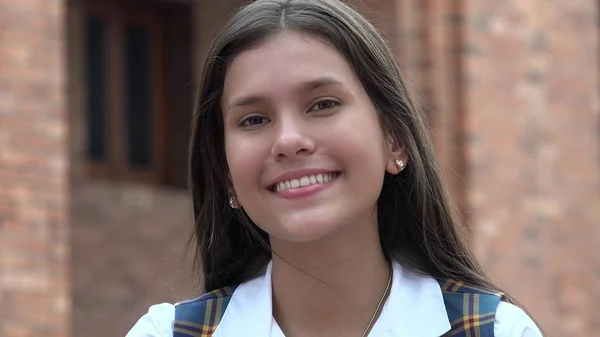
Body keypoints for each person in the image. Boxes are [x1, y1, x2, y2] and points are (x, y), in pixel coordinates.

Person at [127, 0, 543, 336]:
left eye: (323, 104)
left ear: (394, 140)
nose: (289, 141)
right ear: (224, 172)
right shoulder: (167, 333)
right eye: (254, 119)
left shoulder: (495, 330)